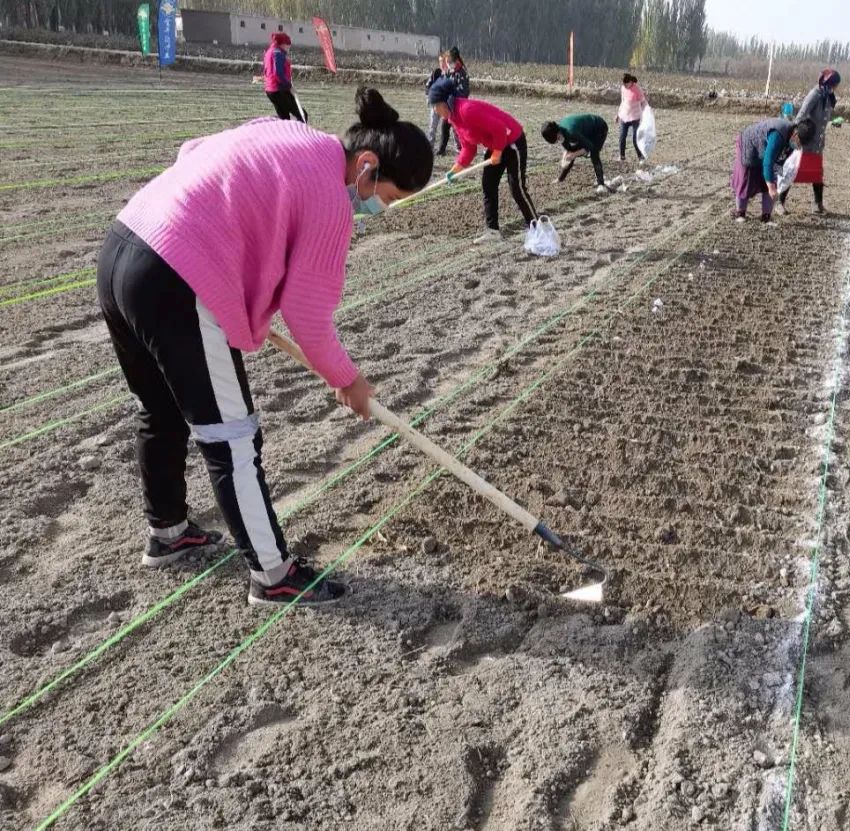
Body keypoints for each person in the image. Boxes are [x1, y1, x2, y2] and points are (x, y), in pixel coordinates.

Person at [95, 88, 433, 606]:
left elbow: (195, 151)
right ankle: (274, 575)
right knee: (231, 437)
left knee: (159, 407)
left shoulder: (294, 135)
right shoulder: (329, 198)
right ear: (366, 166)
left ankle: (168, 531)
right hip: (176, 278)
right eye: (385, 197)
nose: (377, 208)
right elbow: (309, 317)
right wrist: (348, 379)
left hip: (125, 244)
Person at [428, 77, 538, 244]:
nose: (435, 111)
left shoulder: (467, 110)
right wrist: (456, 168)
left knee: (517, 188)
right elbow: (468, 148)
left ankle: (536, 227)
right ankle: (493, 231)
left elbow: (500, 128)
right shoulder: (454, 118)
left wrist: (498, 152)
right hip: (496, 144)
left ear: (445, 103)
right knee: (488, 184)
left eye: (435, 106)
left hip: (512, 140)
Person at [777, 68, 840, 215]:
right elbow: (800, 115)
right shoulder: (815, 95)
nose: (837, 87)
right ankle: (779, 202)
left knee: (817, 173)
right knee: (793, 171)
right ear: (829, 82)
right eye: (836, 84)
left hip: (817, 143)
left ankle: (817, 205)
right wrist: (795, 135)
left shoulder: (828, 96)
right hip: (805, 141)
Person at [731, 117, 815, 223]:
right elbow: (768, 162)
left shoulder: (792, 143)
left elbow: (779, 162)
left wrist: (774, 183)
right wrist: (771, 187)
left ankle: (766, 216)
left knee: (769, 179)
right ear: (795, 134)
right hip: (749, 144)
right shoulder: (777, 134)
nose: (798, 146)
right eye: (799, 142)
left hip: (764, 149)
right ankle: (740, 213)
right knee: (745, 177)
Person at [541, 115, 613, 193]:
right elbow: (569, 151)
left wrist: (574, 154)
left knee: (594, 153)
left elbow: (590, 147)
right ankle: (561, 179)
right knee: (574, 150)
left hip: (599, 127)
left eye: (557, 139)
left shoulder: (570, 132)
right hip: (586, 130)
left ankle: (601, 184)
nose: (558, 141)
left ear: (556, 134)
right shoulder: (561, 132)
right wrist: (560, 178)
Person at [436, 46, 470, 156]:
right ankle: (442, 149)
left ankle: (462, 149)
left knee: (458, 130)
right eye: (447, 62)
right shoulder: (449, 72)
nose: (448, 64)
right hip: (447, 106)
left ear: (455, 60)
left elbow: (464, 92)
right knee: (444, 128)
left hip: (458, 106)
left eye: (449, 61)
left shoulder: (462, 73)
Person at [263, 32, 304, 122]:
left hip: (270, 90)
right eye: (288, 45)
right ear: (282, 44)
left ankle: (284, 135)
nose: (289, 48)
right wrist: (289, 86)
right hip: (279, 90)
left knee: (284, 119)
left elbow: (266, 71)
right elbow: (278, 73)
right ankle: (300, 135)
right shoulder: (278, 53)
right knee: (302, 115)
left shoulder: (269, 52)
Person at [616, 73, 647, 162]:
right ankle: (622, 157)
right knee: (622, 137)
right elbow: (622, 101)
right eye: (623, 84)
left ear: (630, 82)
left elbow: (643, 102)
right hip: (624, 116)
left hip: (635, 117)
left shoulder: (637, 90)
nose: (625, 86)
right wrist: (618, 114)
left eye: (626, 84)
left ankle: (641, 157)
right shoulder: (623, 88)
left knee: (634, 139)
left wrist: (644, 114)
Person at [425, 53, 449, 148]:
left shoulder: (451, 74)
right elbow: (428, 87)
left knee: (450, 128)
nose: (441, 63)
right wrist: (429, 99)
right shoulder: (436, 73)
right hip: (436, 104)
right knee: (432, 127)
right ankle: (430, 146)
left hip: (447, 105)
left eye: (443, 61)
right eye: (440, 61)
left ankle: (458, 147)